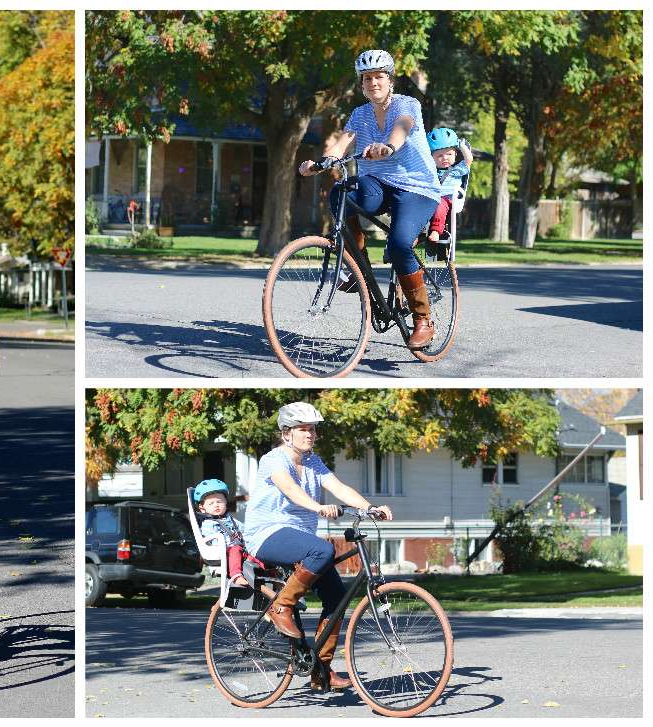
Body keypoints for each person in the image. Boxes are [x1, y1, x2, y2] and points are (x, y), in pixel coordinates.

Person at [243, 402, 393, 692]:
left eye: (313, 429)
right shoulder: (273, 460)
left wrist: (370, 507)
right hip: (267, 534)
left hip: (299, 538)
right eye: (303, 429)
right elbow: (290, 489)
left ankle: (319, 669)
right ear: (286, 433)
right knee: (323, 551)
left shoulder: (313, 461)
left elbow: (339, 488)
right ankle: (281, 606)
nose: (310, 435)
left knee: (337, 596)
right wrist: (318, 507)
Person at [298, 49, 443, 349]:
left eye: (379, 76)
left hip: (416, 188)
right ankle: (358, 269)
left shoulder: (408, 104)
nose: (373, 82)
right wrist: (321, 162)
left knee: (400, 244)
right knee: (341, 192)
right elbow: (344, 141)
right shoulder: (359, 114)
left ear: (389, 80)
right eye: (367, 78)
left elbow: (402, 126)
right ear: (362, 84)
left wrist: (388, 147)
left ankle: (423, 320)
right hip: (378, 184)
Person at [193, 479, 249, 587]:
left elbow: (244, 530)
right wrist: (230, 544)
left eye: (219, 501)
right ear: (202, 508)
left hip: (240, 548)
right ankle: (236, 576)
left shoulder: (230, 519)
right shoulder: (208, 524)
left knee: (256, 553)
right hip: (223, 551)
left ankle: (272, 573)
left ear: (225, 503)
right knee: (235, 549)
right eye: (211, 503)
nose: (216, 505)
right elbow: (213, 540)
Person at [426, 127, 473, 242]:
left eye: (449, 154)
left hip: (447, 199)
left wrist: (461, 146)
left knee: (440, 204)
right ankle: (413, 233)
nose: (445, 158)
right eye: (439, 156)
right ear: (431, 157)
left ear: (456, 154)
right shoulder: (429, 171)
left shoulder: (456, 170)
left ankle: (436, 231)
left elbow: (469, 160)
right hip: (430, 198)